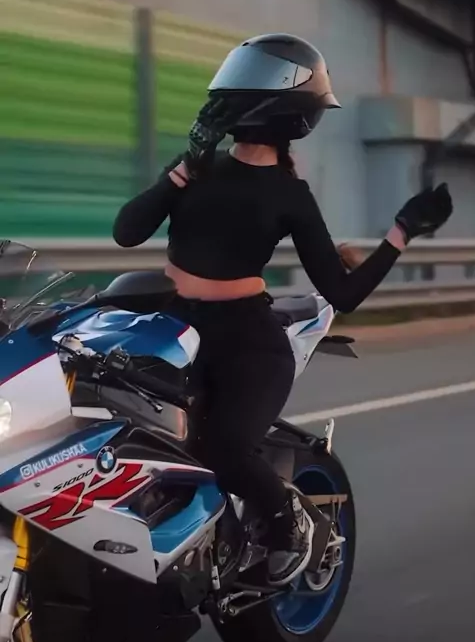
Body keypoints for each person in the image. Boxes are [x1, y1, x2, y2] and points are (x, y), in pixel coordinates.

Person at [113, 33, 453, 587]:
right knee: (124, 432)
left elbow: (342, 294)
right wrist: (181, 170)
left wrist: (401, 232)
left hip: (247, 344)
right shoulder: (199, 167)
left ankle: (291, 523)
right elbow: (127, 232)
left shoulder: (289, 194)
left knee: (223, 449)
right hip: (174, 329)